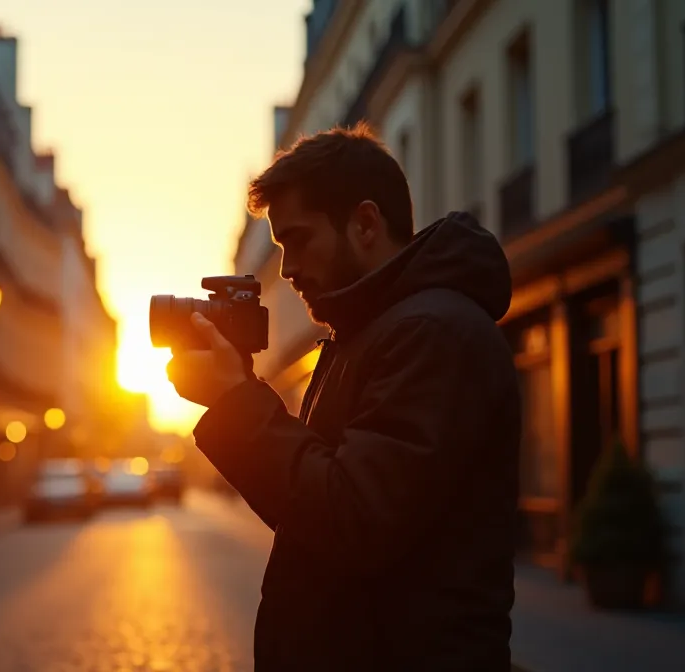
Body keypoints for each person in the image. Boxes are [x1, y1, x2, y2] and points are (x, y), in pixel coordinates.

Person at [167, 122, 519, 671]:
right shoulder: (370, 333)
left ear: (365, 223)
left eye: (299, 240)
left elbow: (353, 518)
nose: (288, 269)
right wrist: (235, 397)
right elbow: (314, 508)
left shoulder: (431, 334)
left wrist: (237, 401)